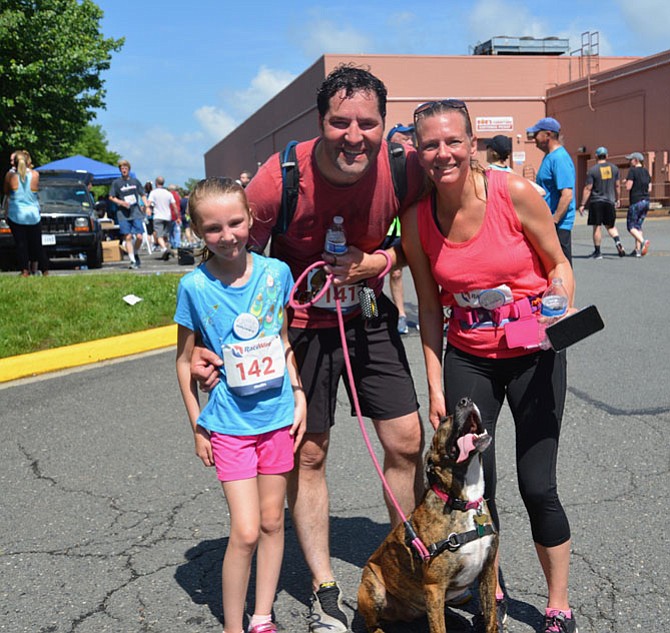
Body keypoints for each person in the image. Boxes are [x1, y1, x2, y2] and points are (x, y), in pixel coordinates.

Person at [192, 65, 427, 633]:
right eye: (339, 122)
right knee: (310, 452)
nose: (354, 136)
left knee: (406, 440)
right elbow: (232, 264)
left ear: (385, 123)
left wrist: (380, 261)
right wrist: (205, 343)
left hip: (367, 317)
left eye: (367, 123)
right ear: (321, 122)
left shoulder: (404, 166)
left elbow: (425, 232)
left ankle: (405, 568)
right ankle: (324, 585)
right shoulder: (280, 179)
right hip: (297, 328)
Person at [403, 99, 578, 633]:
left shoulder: (515, 193)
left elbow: (560, 266)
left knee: (537, 485)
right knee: (478, 490)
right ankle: (491, 592)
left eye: (452, 141)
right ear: (418, 152)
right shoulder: (416, 220)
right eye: (430, 144)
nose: (442, 153)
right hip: (469, 358)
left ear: (472, 143)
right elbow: (430, 308)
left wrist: (559, 297)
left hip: (533, 354)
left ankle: (557, 603)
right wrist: (435, 385)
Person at [175, 177, 306, 633]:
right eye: (213, 228)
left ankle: (262, 617)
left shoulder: (276, 274)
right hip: (229, 423)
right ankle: (234, 627)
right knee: (246, 530)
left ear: (251, 219)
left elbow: (283, 339)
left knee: (273, 523)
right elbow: (183, 358)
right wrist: (197, 424)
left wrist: (300, 392)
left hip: (278, 418)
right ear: (196, 230)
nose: (227, 235)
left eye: (235, 222)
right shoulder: (194, 286)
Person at [527, 117, 576, 265]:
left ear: (547, 135)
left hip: (558, 226)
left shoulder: (559, 158)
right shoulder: (549, 157)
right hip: (548, 224)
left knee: (561, 269)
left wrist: (554, 221)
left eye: (536, 134)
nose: (533, 138)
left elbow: (567, 195)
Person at [386, 123, 416, 335]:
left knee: (423, 270)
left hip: (408, 226)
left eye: (410, 137)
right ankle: (370, 315)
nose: (409, 140)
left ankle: (429, 315)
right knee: (369, 277)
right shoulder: (381, 163)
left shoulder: (417, 164)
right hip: (383, 229)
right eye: (403, 137)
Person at [3, 149, 49, 277]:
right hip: (33, 214)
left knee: (21, 244)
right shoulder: (35, 175)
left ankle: (24, 271)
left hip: (16, 214)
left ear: (14, 164)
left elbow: (7, 192)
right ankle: (44, 269)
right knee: (37, 244)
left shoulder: (10, 176)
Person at [578, 147, 626, 259]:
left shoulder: (593, 170)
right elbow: (618, 185)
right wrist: (618, 199)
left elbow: (588, 188)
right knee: (610, 226)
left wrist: (582, 204)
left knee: (597, 227)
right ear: (607, 156)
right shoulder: (614, 168)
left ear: (596, 156)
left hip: (596, 201)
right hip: (610, 201)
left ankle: (598, 252)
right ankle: (618, 242)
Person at [109, 159, 148, 269]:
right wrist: (121, 202)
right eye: (122, 169)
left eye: (125, 168)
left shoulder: (135, 182)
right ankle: (132, 260)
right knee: (128, 236)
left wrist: (146, 205)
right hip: (123, 213)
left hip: (135, 212)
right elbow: (111, 197)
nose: (124, 170)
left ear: (129, 170)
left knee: (139, 236)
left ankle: (135, 253)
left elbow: (142, 194)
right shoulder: (116, 183)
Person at [624, 152, 651, 257]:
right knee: (638, 225)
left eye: (631, 160)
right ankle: (637, 250)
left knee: (630, 226)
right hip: (646, 201)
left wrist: (626, 182)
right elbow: (649, 188)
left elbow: (628, 187)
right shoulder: (646, 172)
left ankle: (643, 241)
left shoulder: (632, 171)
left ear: (636, 160)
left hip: (636, 201)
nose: (629, 162)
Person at [147, 176, 177, 260]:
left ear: (156, 183)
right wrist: (177, 216)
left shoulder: (153, 192)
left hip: (158, 216)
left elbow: (149, 203)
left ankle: (164, 249)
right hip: (167, 216)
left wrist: (147, 208)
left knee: (159, 235)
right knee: (165, 235)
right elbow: (174, 206)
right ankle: (166, 250)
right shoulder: (168, 193)